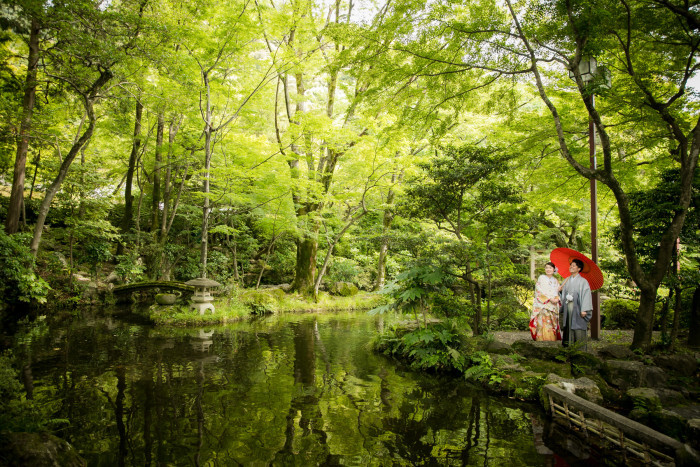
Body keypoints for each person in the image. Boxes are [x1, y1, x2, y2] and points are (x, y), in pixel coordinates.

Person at [559, 258, 593, 348]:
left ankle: (579, 349)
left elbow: (586, 295)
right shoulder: (566, 280)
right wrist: (560, 291)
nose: (571, 267)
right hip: (568, 307)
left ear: (579, 269)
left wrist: (584, 309)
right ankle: (568, 348)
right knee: (568, 326)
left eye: (573, 266)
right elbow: (562, 295)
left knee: (578, 326)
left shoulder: (583, 282)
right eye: (571, 265)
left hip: (578, 308)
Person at [529, 261, 561, 341]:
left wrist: (557, 298)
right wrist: (550, 299)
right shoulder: (541, 278)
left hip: (553, 306)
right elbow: (539, 291)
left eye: (550, 268)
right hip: (543, 305)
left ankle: (552, 340)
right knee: (542, 322)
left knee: (552, 323)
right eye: (546, 268)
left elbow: (556, 293)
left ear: (554, 269)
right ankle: (541, 339)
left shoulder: (555, 281)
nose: (548, 269)